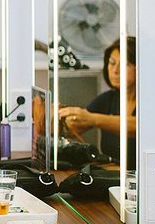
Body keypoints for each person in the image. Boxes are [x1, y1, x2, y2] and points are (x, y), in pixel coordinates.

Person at [58, 36, 136, 168]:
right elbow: (77, 124)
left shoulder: (151, 102)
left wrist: (92, 119)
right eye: (112, 63)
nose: (115, 71)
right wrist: (62, 116)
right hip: (112, 177)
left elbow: (136, 127)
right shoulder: (108, 99)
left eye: (124, 65)